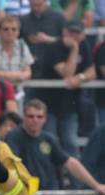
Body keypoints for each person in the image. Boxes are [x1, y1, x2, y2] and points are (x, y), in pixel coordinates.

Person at [28, 21, 94, 156]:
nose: (74, 36)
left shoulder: (85, 45)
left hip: (70, 105)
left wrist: (80, 78)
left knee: (70, 142)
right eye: (71, 32)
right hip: (48, 105)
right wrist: (75, 49)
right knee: (50, 142)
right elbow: (67, 73)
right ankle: (51, 175)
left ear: (83, 34)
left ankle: (75, 177)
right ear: (64, 31)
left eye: (77, 33)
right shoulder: (54, 47)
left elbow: (92, 71)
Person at [0, 15, 34, 83]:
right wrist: (17, 75)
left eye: (14, 29)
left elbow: (28, 73)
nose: (10, 32)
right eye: (6, 29)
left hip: (18, 90)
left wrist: (2, 74)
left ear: (18, 32)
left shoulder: (22, 46)